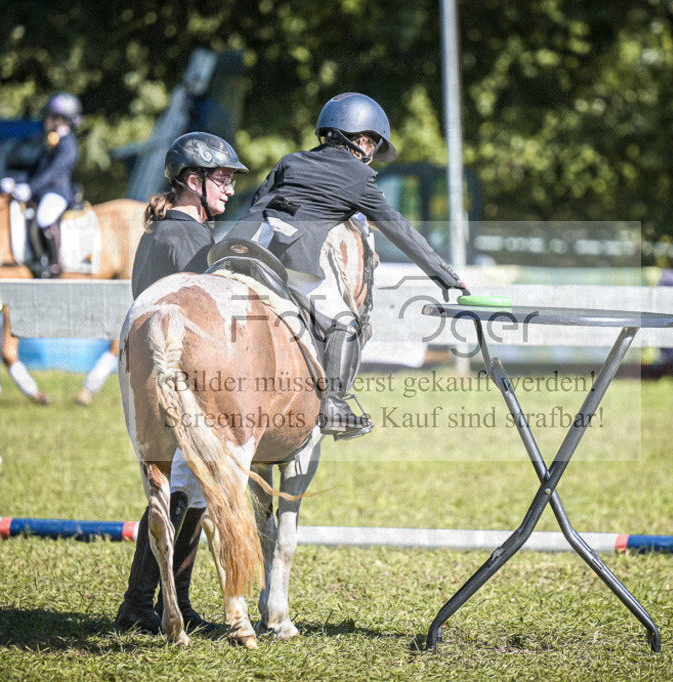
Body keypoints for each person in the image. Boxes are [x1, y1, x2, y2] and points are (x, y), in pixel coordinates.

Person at [223, 92, 468, 439]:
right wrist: (445, 275)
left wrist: (221, 254)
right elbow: (398, 228)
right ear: (364, 140)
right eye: (372, 146)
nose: (371, 157)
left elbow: (257, 204)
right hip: (292, 257)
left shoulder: (289, 160)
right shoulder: (359, 176)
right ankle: (335, 406)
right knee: (344, 323)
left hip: (248, 245)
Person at [116, 131, 248, 635]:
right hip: (182, 380)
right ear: (192, 181)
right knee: (186, 489)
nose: (229, 189)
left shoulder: (156, 234)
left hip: (150, 376)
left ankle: (153, 604)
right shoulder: (192, 241)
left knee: (176, 489)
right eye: (221, 178)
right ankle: (147, 604)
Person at [0, 92, 83, 277]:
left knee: (44, 218)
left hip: (56, 192)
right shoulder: (51, 142)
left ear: (60, 119)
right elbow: (36, 169)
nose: (45, 120)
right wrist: (15, 182)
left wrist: (30, 188)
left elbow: (51, 173)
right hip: (42, 191)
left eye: (49, 117)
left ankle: (54, 263)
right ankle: (36, 260)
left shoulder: (68, 145)